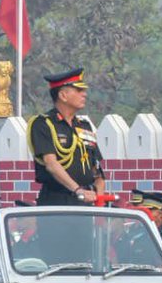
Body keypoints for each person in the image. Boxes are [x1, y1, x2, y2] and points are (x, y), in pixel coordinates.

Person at [27, 67, 105, 206]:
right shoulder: (43, 124)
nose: (84, 94)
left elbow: (96, 169)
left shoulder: (84, 126)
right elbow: (51, 164)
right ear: (63, 95)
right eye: (79, 90)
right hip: (56, 200)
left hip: (85, 201)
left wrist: (99, 194)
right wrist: (77, 190)